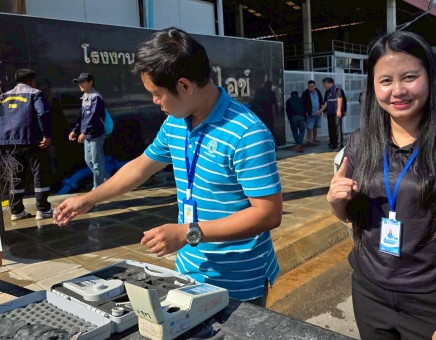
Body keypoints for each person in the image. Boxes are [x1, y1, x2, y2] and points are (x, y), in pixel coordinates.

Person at [54, 28, 283, 306]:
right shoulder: (175, 122)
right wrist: (88, 199)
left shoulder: (247, 133)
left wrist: (188, 233)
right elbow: (140, 167)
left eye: (157, 93)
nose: (154, 101)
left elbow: (268, 214)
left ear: (184, 86)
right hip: (189, 270)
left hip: (238, 281)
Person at [326, 31, 436, 340]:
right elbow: (351, 215)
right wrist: (335, 201)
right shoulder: (361, 142)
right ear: (373, 86)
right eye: (385, 81)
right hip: (369, 291)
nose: (397, 90)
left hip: (430, 300)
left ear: (430, 77)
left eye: (410, 77)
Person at [0, 69, 53, 220]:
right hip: (32, 141)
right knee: (40, 174)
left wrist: (3, 138)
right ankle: (43, 210)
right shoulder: (35, 93)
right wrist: (47, 135)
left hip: (8, 143)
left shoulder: (2, 97)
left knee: (14, 176)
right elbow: (43, 114)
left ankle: (16, 211)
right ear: (31, 81)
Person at [69, 73, 108, 190]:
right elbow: (82, 117)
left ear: (90, 82)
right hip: (87, 135)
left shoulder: (96, 97)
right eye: (79, 82)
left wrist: (84, 132)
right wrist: (75, 130)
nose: (80, 85)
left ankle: (98, 188)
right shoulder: (85, 97)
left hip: (95, 134)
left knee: (96, 162)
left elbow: (93, 116)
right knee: (89, 160)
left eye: (83, 82)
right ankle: (107, 180)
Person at [317, 77, 345, 150]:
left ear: (327, 83)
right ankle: (333, 143)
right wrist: (321, 111)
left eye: (324, 84)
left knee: (337, 129)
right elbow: (326, 102)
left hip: (336, 113)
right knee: (331, 129)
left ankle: (339, 145)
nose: (324, 86)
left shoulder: (337, 89)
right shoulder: (328, 91)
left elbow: (340, 99)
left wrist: (339, 110)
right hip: (330, 113)